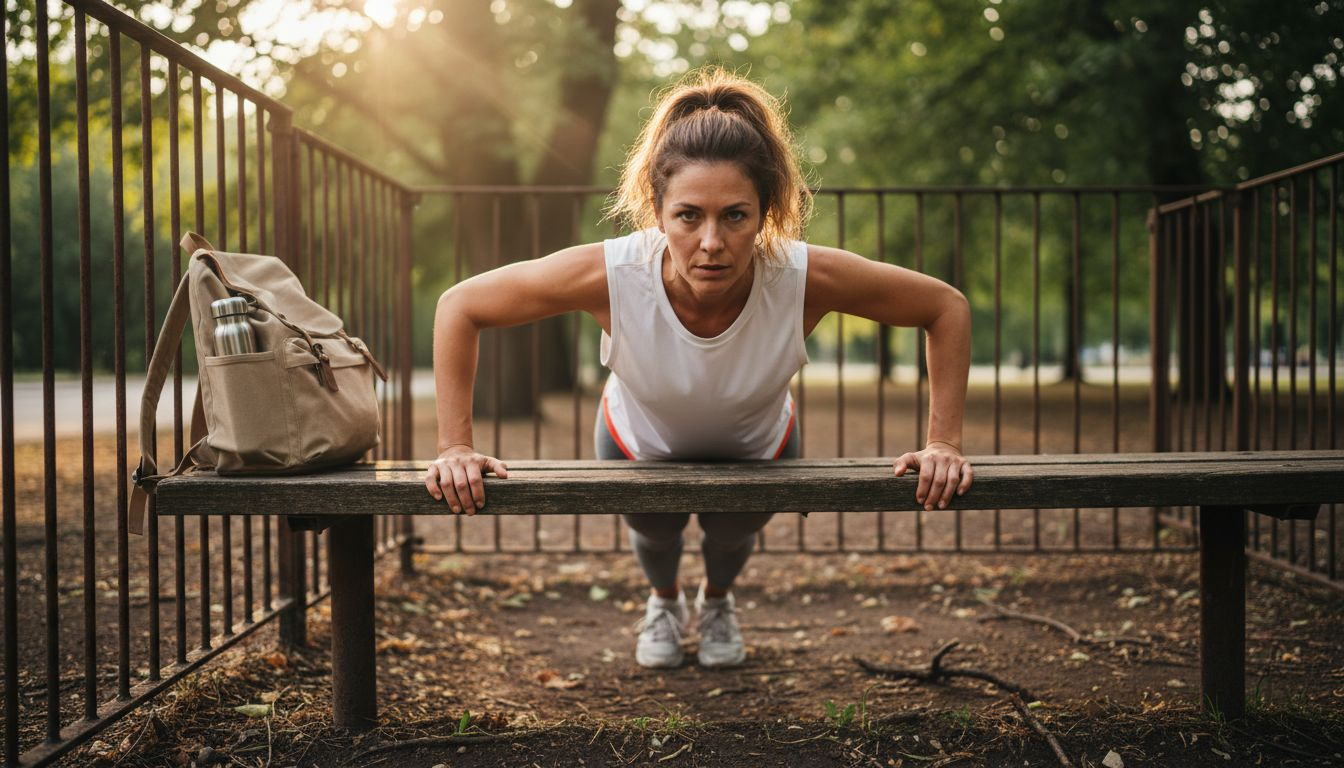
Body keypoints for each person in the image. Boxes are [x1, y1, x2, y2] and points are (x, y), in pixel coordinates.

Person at [424, 67, 973, 670]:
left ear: (765, 213)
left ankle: (717, 601)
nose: (711, 241)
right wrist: (455, 447)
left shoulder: (802, 276)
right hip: (636, 443)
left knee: (731, 535)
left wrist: (942, 443)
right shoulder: (611, 274)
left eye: (734, 216)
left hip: (761, 446)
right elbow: (460, 307)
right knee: (656, 534)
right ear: (657, 212)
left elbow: (944, 308)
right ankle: (664, 601)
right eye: (689, 216)